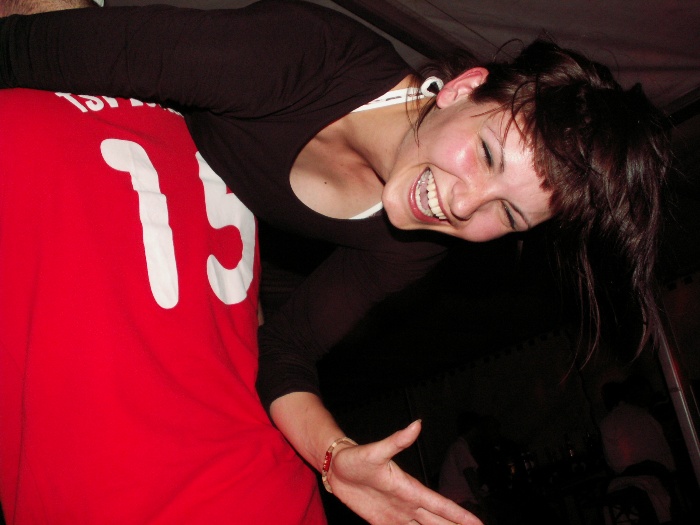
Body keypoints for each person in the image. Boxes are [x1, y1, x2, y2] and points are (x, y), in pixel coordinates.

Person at [0, 1, 670, 523]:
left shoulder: (415, 242)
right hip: (91, 106)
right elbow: (28, 49)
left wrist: (335, 455)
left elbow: (286, 347)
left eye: (510, 214)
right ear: (464, 88)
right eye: (488, 154)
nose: (465, 204)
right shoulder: (309, 56)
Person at [0, 1, 327, 523]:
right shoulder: (218, 135)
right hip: (274, 495)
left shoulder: (12, 120)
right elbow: (250, 326)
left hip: (127, 505)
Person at [599, 377, 677, 523]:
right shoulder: (644, 414)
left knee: (613, 493)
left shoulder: (607, 423)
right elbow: (663, 444)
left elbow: (616, 463)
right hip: (662, 471)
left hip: (642, 477)